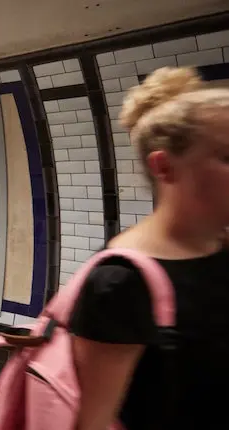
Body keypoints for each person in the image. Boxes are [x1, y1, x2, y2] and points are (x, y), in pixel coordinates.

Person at [70, 66, 229, 429]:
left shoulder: (220, 248)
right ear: (165, 167)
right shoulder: (120, 282)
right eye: (226, 157)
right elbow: (92, 422)